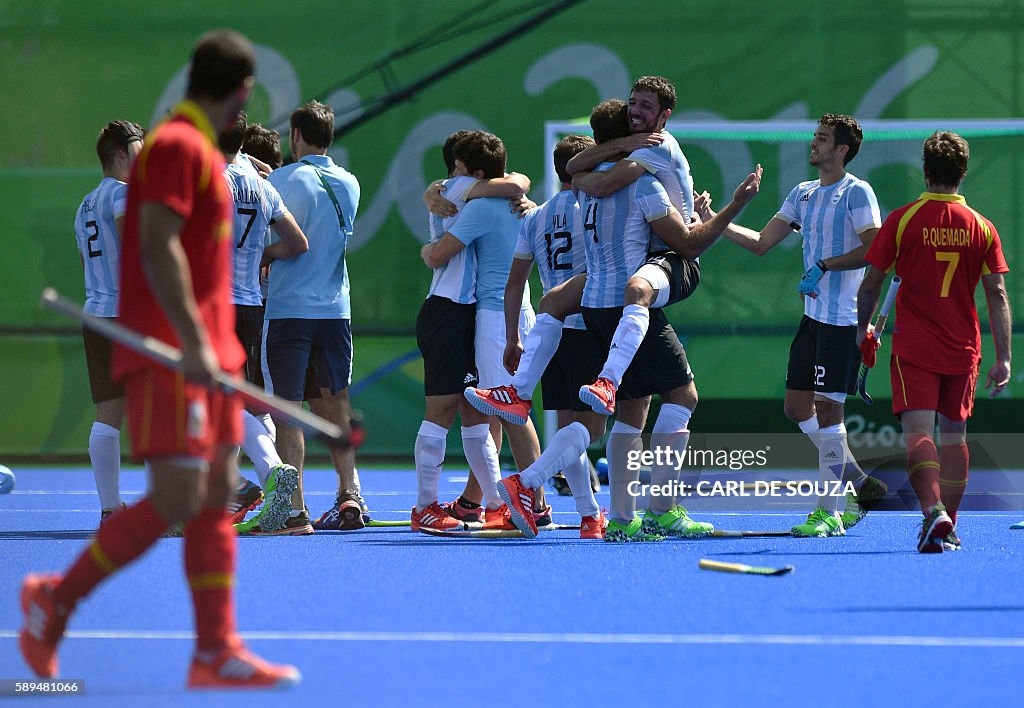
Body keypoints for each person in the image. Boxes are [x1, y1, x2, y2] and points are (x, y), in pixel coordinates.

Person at [20, 29, 299, 688]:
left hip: (210, 353)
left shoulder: (199, 152)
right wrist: (196, 343)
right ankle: (53, 601)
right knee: (180, 495)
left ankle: (214, 650)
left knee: (211, 502)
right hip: (176, 356)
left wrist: (219, 350)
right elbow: (157, 245)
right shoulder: (175, 149)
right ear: (240, 90)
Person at [481, 99, 761, 541]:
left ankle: (619, 518)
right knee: (681, 397)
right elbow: (687, 245)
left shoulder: (584, 191)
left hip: (587, 308)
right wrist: (731, 206)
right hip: (626, 306)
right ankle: (643, 507)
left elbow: (531, 274)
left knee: (630, 411)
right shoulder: (640, 183)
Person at [717, 113, 889, 537]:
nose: (814, 144)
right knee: (797, 408)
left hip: (843, 321)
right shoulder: (803, 193)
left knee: (830, 412)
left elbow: (876, 249)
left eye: (823, 139)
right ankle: (857, 482)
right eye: (815, 137)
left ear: (842, 150)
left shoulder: (857, 192)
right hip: (812, 320)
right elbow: (761, 243)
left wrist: (825, 265)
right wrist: (716, 222)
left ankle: (829, 512)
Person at [857, 131, 1012, 552]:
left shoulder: (904, 219)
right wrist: (1005, 358)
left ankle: (932, 513)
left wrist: (863, 329)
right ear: (963, 172)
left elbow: (872, 283)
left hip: (916, 347)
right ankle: (950, 526)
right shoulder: (982, 226)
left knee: (918, 432)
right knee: (954, 437)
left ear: (925, 170)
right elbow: (996, 294)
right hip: (964, 347)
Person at [414, 131, 535, 531]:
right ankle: (428, 506)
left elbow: (517, 182)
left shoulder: (476, 195)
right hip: (451, 311)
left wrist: (428, 249)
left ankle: (509, 502)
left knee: (486, 410)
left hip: (481, 314)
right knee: (457, 409)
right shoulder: (464, 190)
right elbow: (517, 181)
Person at [496, 133, 608, 538]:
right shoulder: (594, 208)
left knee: (567, 430)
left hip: (549, 333)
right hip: (587, 326)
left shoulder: (537, 216)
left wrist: (514, 337)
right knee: (590, 431)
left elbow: (514, 285)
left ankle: (589, 514)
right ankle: (524, 482)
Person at [264, 100, 363, 533]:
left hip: (289, 309)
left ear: (296, 136)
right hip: (334, 310)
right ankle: (349, 493)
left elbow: (272, 233)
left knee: (288, 410)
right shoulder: (350, 183)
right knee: (336, 404)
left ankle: (295, 508)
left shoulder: (282, 179)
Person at [220, 111, 309, 534]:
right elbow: (297, 241)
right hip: (251, 304)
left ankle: (262, 475)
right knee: (236, 397)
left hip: (215, 303)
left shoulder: (210, 179)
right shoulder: (260, 184)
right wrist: (261, 257)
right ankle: (236, 487)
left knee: (215, 399)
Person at [73, 119, 144, 523]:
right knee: (154, 411)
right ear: (120, 154)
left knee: (108, 414)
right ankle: (163, 512)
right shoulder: (124, 195)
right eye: (138, 149)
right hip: (128, 316)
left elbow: (86, 262)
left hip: (96, 313)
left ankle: (110, 510)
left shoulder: (83, 204)